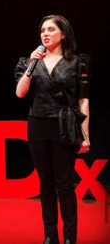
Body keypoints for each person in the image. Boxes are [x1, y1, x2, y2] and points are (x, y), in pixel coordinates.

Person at [14, 15, 91, 244]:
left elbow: (83, 100)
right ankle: (50, 235)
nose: (45, 34)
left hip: (64, 125)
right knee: (45, 182)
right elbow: (20, 93)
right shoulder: (29, 61)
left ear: (63, 34)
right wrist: (31, 66)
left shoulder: (78, 62)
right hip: (37, 125)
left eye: (50, 29)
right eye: (42, 30)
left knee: (64, 182)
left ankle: (69, 237)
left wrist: (85, 135)